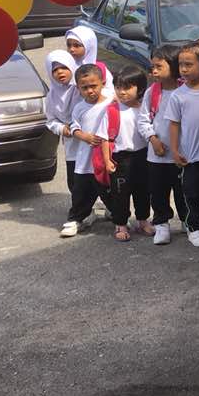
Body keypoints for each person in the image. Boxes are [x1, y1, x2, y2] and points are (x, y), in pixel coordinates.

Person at [168, 42, 199, 249]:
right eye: (181, 65)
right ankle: (194, 226)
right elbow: (174, 124)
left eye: (189, 64)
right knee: (192, 194)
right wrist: (175, 150)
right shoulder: (178, 95)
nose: (184, 69)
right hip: (190, 157)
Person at [59, 64, 116, 238]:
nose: (90, 91)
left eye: (93, 86)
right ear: (78, 88)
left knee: (111, 191)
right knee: (81, 192)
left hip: (106, 158)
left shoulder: (111, 103)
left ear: (102, 83)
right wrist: (85, 137)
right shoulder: (79, 108)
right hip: (85, 161)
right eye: (85, 88)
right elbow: (74, 128)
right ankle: (76, 219)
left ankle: (119, 217)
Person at [138, 44, 186, 246]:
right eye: (152, 67)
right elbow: (143, 120)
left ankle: (188, 220)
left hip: (182, 154)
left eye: (159, 67)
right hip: (157, 156)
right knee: (158, 192)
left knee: (184, 191)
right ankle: (162, 223)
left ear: (174, 66)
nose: (154, 71)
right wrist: (153, 139)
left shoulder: (185, 91)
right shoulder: (152, 92)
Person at [111, 66, 152, 237]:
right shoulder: (113, 109)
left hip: (143, 155)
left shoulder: (145, 108)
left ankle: (143, 220)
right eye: (118, 87)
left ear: (140, 88)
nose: (122, 92)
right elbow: (104, 137)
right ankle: (120, 224)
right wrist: (107, 159)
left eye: (127, 87)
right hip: (120, 157)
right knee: (121, 192)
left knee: (143, 190)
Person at [44, 49, 80, 204]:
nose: (60, 72)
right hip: (71, 144)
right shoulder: (52, 96)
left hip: (90, 141)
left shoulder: (82, 87)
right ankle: (81, 210)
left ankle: (109, 208)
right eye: (55, 70)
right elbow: (51, 120)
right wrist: (61, 128)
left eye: (64, 67)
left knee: (98, 177)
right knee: (75, 180)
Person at [65, 25, 114, 95]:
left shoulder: (99, 68)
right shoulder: (65, 67)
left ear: (88, 46)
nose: (71, 49)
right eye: (69, 45)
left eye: (77, 45)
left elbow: (110, 91)